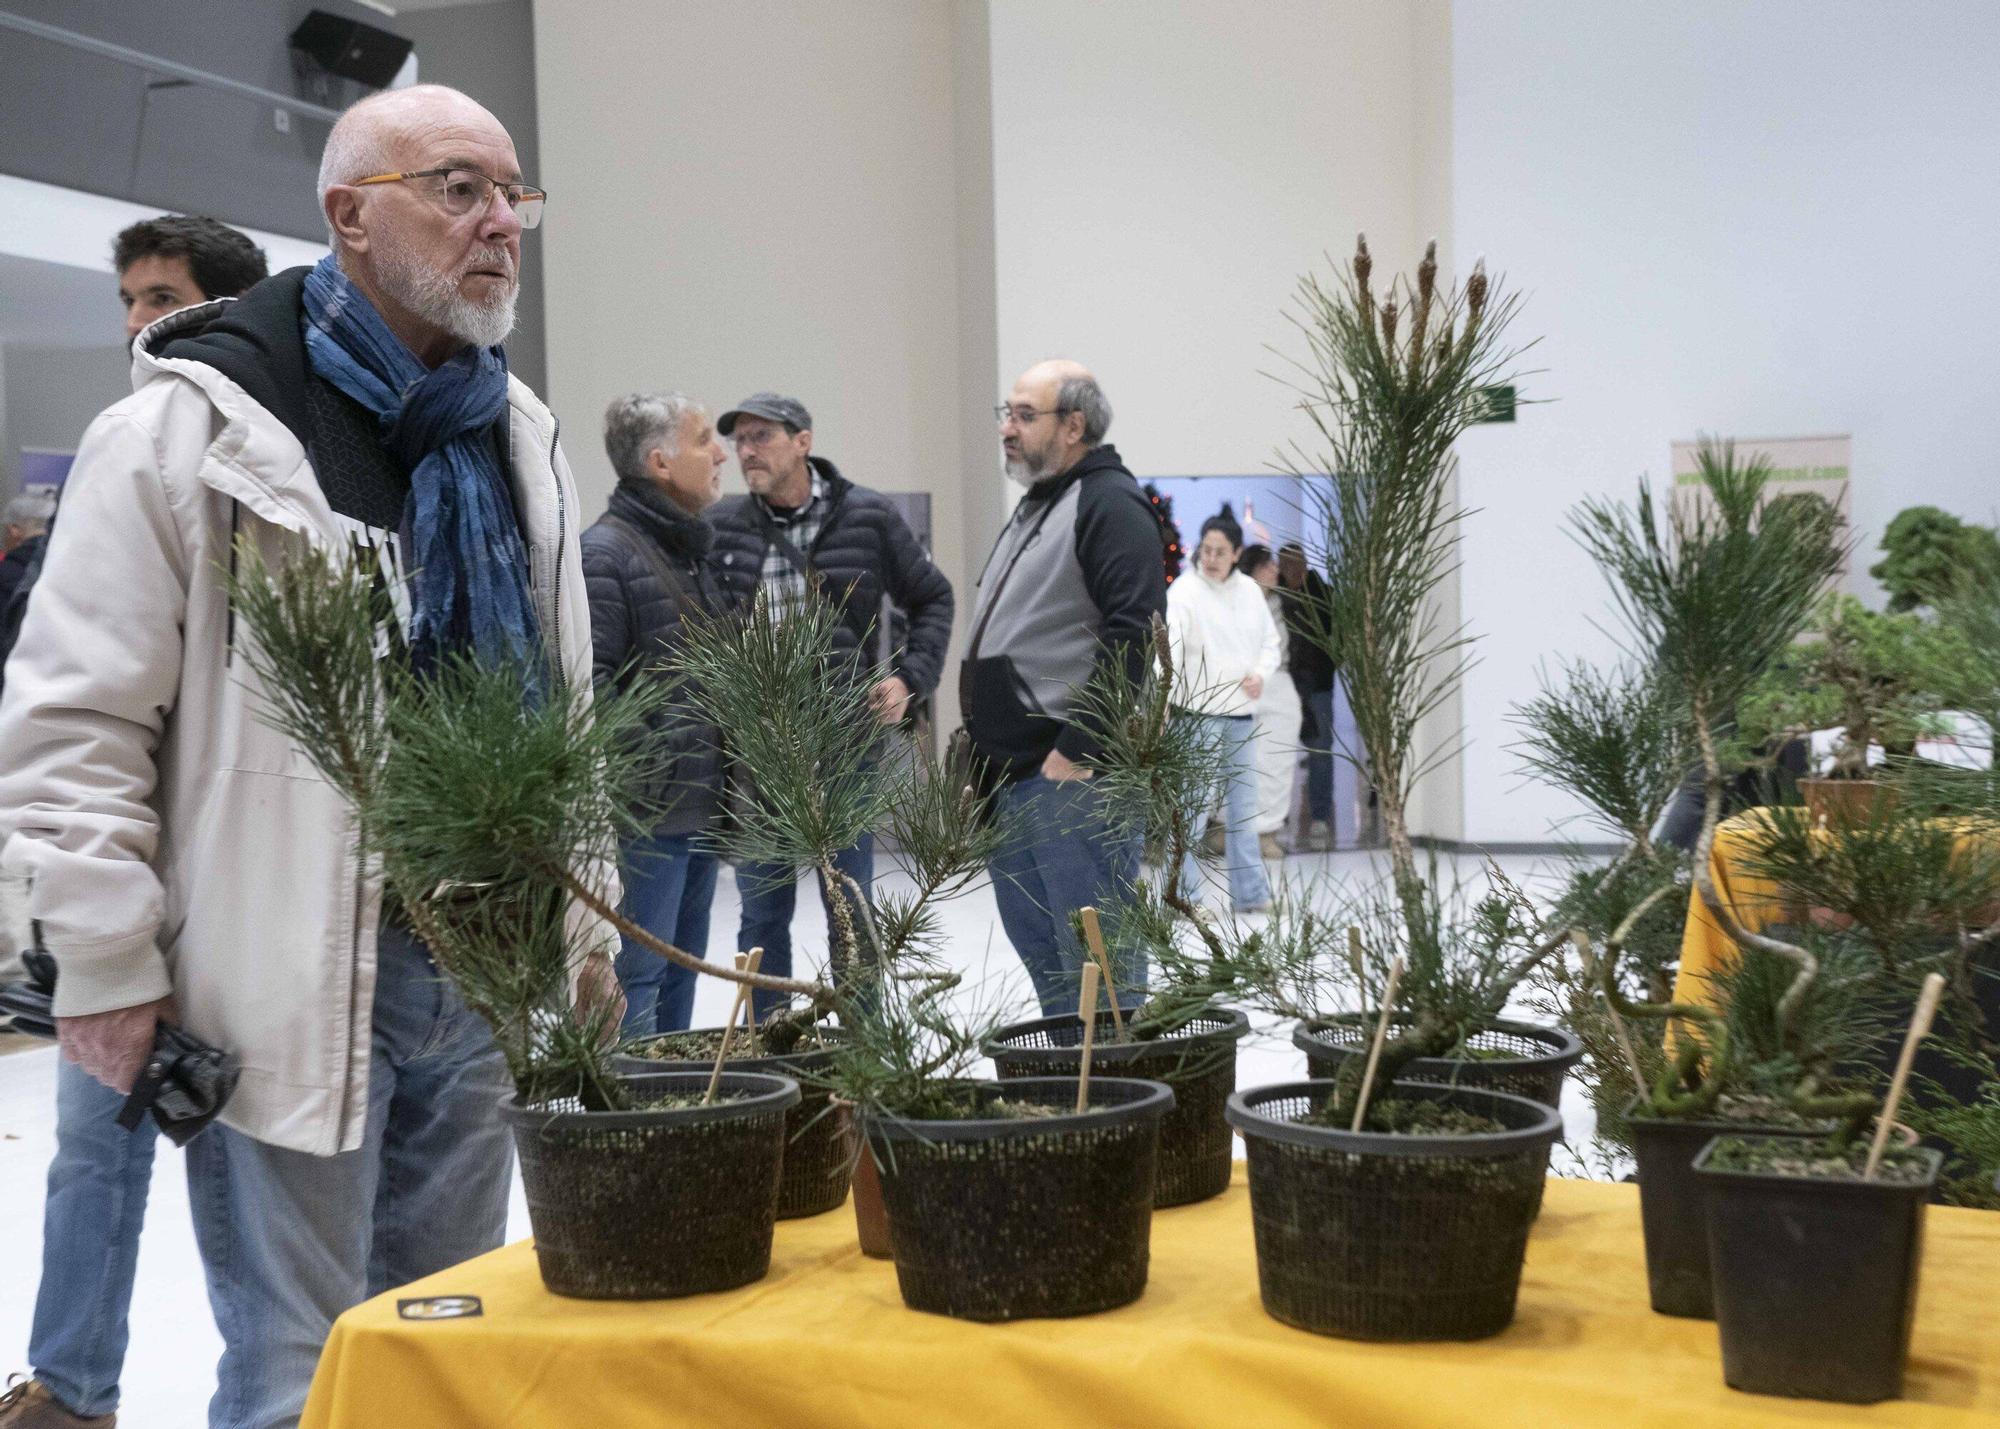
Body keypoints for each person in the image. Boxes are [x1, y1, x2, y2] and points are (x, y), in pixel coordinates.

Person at [0, 85, 615, 1429]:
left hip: (487, 969)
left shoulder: (515, 436)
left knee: (441, 1349)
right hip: (287, 975)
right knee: (298, 1372)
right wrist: (105, 960)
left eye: (513, 194)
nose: (500, 222)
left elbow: (560, 705)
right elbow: (76, 724)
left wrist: (585, 922)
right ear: (349, 214)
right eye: (457, 187)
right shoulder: (187, 433)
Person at [0, 216, 268, 1429]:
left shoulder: (259, 470)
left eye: (161, 295)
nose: (136, 321)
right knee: (91, 1149)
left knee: (250, 1187)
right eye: (127, 298)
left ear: (225, 305)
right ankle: (70, 1388)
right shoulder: (122, 460)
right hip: (111, 889)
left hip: (236, 896)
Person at [707, 393, 953, 1017]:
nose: (746, 451)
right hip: (761, 749)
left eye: (761, 437)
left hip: (847, 745)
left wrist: (909, 681)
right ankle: (770, 1045)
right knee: (761, 912)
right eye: (740, 440)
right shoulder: (724, 523)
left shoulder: (867, 516)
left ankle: (861, 1043)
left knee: (851, 905)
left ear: (803, 442)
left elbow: (933, 598)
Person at [963, 360, 1166, 1014]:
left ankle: (1116, 1081)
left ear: (1074, 425)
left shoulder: (1108, 502)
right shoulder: (1042, 502)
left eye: (1025, 415)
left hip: (1069, 776)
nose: (1007, 428)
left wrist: (1080, 745)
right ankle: (1067, 1082)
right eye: (1008, 413)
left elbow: (1135, 631)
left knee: (1100, 974)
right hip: (1013, 777)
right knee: (1053, 972)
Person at [583, 393, 729, 1035]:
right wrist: (658, 768)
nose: (720, 453)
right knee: (638, 977)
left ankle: (676, 1096)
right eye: (704, 439)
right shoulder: (605, 555)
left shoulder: (686, 552)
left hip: (698, 809)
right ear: (660, 463)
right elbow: (590, 689)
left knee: (680, 973)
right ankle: (636, 1100)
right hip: (645, 821)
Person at [1168, 517, 1280, 914]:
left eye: (1220, 552)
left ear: (1236, 554)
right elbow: (1169, 651)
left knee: (1244, 810)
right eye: (1206, 550)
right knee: (1192, 812)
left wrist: (1260, 674)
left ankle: (1251, 894)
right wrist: (1163, 705)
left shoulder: (1249, 591)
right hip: (1196, 715)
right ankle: (1183, 898)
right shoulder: (1184, 591)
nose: (1211, 558)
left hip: (1240, 715)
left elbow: (1270, 643)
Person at [1239, 545, 1302, 859]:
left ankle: (1267, 832)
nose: (1275, 570)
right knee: (1238, 761)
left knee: (1276, 761)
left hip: (1279, 682)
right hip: (1242, 684)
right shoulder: (1233, 603)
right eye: (1267, 565)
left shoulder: (1285, 603)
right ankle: (1225, 830)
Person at [1277, 541, 1339, 849]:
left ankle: (1319, 815)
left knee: (1320, 752)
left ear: (1304, 564)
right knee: (1277, 752)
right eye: (1285, 564)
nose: (1291, 569)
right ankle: (1276, 817)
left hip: (1317, 685)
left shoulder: (1323, 595)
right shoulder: (1273, 596)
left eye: (1295, 563)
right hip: (1282, 684)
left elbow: (1339, 634)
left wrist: (1330, 661)